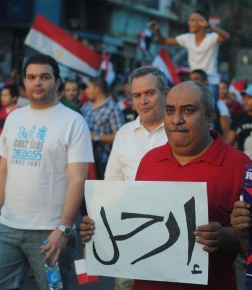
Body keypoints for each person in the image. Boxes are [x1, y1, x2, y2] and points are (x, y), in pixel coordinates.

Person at [80, 80, 252, 290]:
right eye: (170, 110)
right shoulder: (150, 160)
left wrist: (225, 236)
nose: (176, 119)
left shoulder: (240, 166)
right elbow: (134, 223)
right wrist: (97, 228)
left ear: (209, 116)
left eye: (188, 111)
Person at [0, 54, 94, 290]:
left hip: (49, 231)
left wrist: (63, 229)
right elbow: (2, 170)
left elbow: (77, 179)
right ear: (24, 82)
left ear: (57, 82)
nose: (37, 82)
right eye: (31, 77)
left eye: (45, 77)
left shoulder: (74, 121)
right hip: (6, 228)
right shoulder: (14, 118)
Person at [105, 66, 169, 290]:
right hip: (128, 234)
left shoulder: (181, 133)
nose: (143, 101)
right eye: (137, 95)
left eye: (149, 93)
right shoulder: (123, 134)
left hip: (171, 234)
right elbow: (111, 185)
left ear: (165, 93)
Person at [149, 10, 230, 100]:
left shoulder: (212, 38)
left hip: (210, 82)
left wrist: (209, 26)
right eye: (189, 20)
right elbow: (164, 41)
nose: (189, 23)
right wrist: (157, 30)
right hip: (194, 83)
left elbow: (226, 36)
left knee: (210, 112)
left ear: (202, 22)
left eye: (193, 20)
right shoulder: (187, 38)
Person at [81, 77, 125, 180]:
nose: (85, 91)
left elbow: (122, 137)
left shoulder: (112, 108)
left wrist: (96, 137)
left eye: (88, 87)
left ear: (97, 89)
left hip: (103, 163)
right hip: (86, 160)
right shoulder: (85, 107)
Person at [226, 84, 252, 166]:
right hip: (241, 166)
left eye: (250, 97)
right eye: (245, 97)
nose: (245, 100)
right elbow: (228, 143)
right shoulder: (238, 118)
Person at [189, 69, 231, 140]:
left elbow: (227, 132)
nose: (193, 82)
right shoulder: (184, 103)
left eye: (196, 79)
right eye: (191, 79)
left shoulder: (220, 106)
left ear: (205, 82)